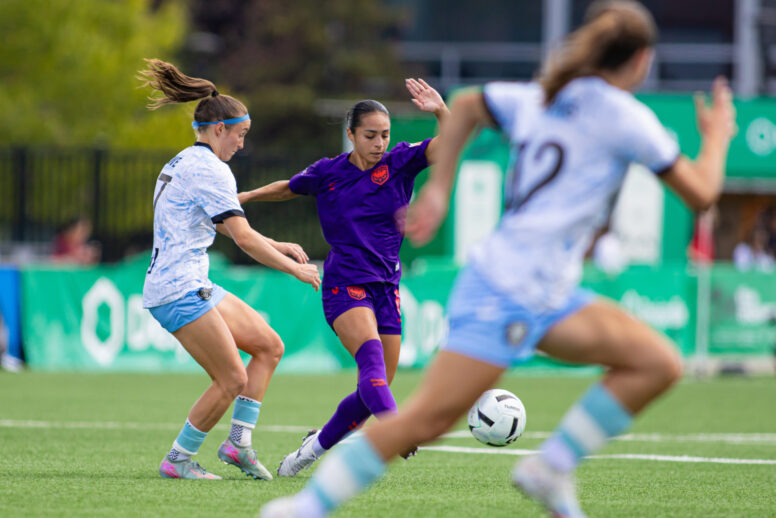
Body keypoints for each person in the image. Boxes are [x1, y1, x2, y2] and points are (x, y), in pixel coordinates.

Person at [260, 1, 735, 516]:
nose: (379, 143)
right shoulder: (627, 118)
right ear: (642, 60)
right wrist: (717, 138)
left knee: (658, 362)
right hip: (508, 289)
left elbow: (466, 104)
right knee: (417, 420)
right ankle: (301, 509)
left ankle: (550, 467)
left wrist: (439, 189)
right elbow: (702, 194)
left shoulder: (541, 97)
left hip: (545, 290)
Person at [238, 79, 449, 476]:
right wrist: (246, 198)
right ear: (351, 134)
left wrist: (440, 110)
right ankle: (396, 428)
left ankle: (312, 448)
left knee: (375, 388)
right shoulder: (329, 172)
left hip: (386, 288)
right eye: (370, 135)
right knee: (372, 368)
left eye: (385, 134)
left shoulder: (401, 162)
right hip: (345, 285)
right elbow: (288, 188)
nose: (379, 143)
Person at [138, 59, 321, 481]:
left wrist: (275, 244)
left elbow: (219, 224)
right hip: (178, 289)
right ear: (219, 129)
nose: (242, 143)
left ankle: (238, 444)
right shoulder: (211, 169)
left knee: (268, 346)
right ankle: (178, 459)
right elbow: (242, 238)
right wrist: (293, 269)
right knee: (231, 379)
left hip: (189, 281)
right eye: (240, 134)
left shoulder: (184, 161)